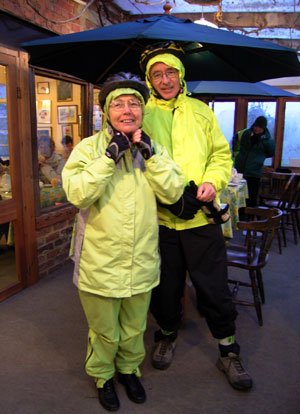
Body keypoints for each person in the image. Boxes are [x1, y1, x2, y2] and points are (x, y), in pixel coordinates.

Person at [62, 72, 185, 411]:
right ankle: (103, 376)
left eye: (134, 103)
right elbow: (77, 194)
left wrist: (151, 155)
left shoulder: (153, 148)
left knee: (134, 327)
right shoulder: (89, 149)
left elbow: (174, 191)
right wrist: (108, 157)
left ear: (142, 111)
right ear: (106, 111)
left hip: (142, 257)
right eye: (118, 104)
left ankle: (129, 370)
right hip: (99, 259)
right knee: (103, 329)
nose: (127, 110)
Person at [139, 41, 253, 391]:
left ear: (181, 73)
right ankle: (167, 334)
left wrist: (211, 181)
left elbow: (221, 156)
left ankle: (228, 348)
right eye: (157, 74)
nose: (165, 79)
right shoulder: (140, 112)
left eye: (170, 71)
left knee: (213, 287)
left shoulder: (202, 112)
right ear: (149, 79)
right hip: (160, 220)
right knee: (165, 287)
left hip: (202, 217)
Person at [232, 116, 275, 209]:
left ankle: (249, 220)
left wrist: (258, 158)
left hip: (254, 173)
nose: (257, 129)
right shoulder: (245, 134)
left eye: (260, 128)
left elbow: (271, 153)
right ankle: (239, 217)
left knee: (251, 197)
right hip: (240, 170)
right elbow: (235, 143)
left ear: (264, 128)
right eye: (256, 126)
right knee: (239, 195)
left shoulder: (267, 140)